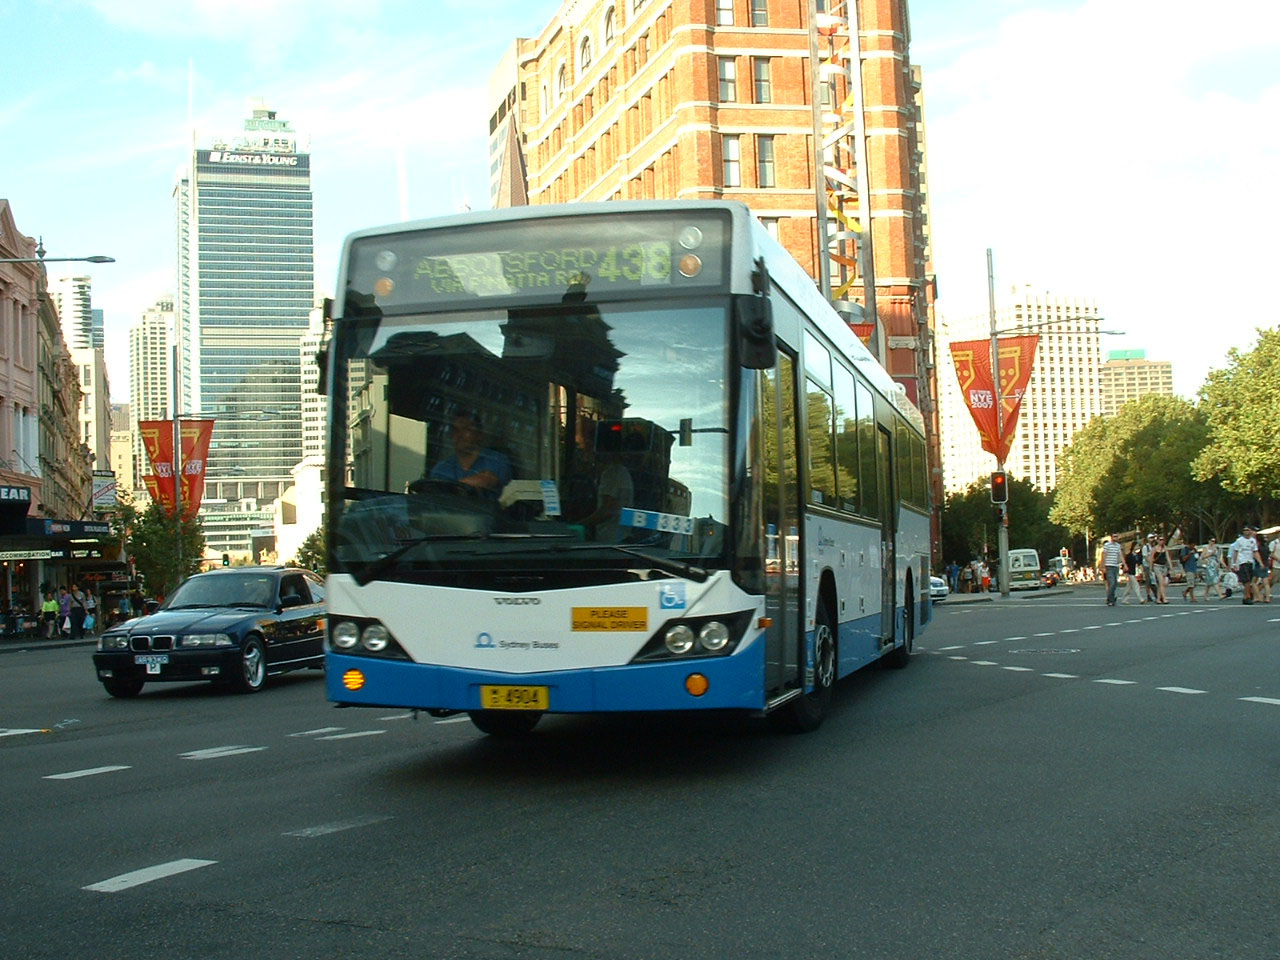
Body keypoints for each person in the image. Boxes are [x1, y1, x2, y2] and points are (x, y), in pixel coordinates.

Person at [426, 411, 511, 497]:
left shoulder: (497, 460)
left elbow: (487, 481)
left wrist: (450, 488)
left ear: (479, 435)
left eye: (467, 429)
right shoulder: (441, 469)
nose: (460, 435)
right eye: (456, 430)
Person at [1228, 524, 1261, 605]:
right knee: (1246, 580)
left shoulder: (1253, 541)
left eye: (1248, 530)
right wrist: (1234, 563)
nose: (1246, 532)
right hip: (1242, 562)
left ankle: (1247, 595)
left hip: (1250, 562)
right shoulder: (1239, 541)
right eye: (1244, 530)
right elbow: (1235, 552)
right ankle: (1247, 596)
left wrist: (1260, 562)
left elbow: (1255, 552)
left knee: (1249, 580)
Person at [1101, 533, 1124, 606]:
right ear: (1111, 537)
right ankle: (1110, 599)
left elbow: (1120, 555)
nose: (1115, 538)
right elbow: (1104, 555)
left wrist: (1125, 564)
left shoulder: (1118, 546)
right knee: (1112, 582)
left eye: (1116, 536)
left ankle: (1111, 598)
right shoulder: (1107, 545)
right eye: (1114, 536)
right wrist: (1103, 566)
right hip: (1109, 565)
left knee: (1115, 583)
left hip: (1116, 566)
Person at [1149, 537, 1170, 604]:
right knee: (1161, 582)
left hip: (1164, 566)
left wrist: (1170, 566)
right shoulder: (1155, 548)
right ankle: (1164, 598)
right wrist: (1151, 568)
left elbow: (1168, 557)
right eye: (1160, 540)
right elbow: (1151, 558)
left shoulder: (1165, 548)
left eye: (1163, 540)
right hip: (1157, 566)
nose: (1162, 541)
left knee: (1161, 584)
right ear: (1157, 540)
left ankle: (1158, 599)